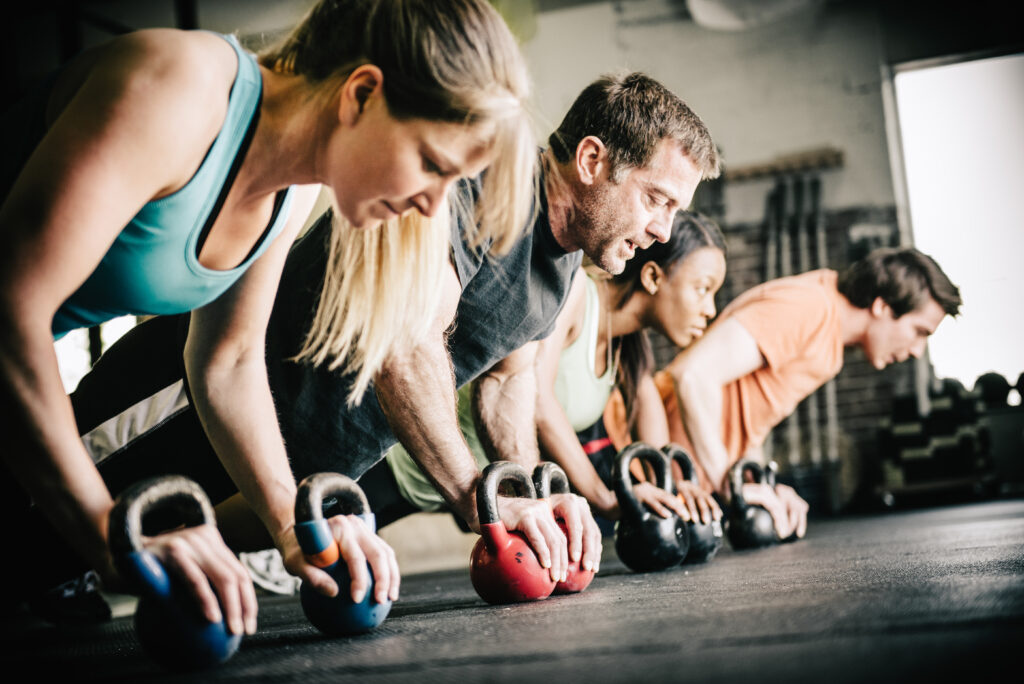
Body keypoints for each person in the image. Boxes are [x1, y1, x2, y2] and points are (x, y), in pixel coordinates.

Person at [65, 70, 721, 588]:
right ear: (590, 159)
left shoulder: (564, 265)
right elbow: (406, 345)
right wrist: (477, 498)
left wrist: (522, 497)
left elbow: (508, 383)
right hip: (196, 393)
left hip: (297, 462)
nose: (664, 230)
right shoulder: (480, 183)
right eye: (657, 199)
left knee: (87, 556)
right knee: (43, 514)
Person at [0, 0, 537, 628]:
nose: (432, 205)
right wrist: (106, 530)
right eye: (432, 166)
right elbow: (12, 314)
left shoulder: (292, 187)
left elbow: (226, 362)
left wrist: (294, 525)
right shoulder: (179, 91)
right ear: (361, 94)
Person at [380, 210, 727, 529]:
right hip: (400, 466)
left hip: (463, 490)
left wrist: (674, 486)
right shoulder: (577, 293)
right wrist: (605, 498)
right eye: (702, 289)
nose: (710, 310)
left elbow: (647, 409)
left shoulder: (627, 347)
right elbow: (539, 402)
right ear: (652, 277)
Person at [610, 246, 962, 541]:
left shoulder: (829, 341)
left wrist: (765, 485)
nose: (917, 350)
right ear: (884, 307)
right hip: (623, 463)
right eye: (919, 331)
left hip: (675, 488)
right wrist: (730, 485)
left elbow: (748, 419)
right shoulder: (809, 307)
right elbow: (694, 376)